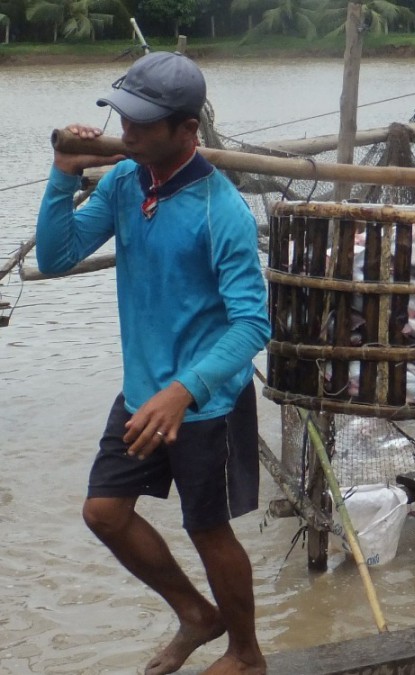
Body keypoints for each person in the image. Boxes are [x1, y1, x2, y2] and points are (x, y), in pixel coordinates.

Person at [36, 52, 270, 675]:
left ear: (187, 130)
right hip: (142, 388)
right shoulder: (121, 182)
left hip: (204, 400)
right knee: (105, 513)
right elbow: (57, 256)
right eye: (122, 118)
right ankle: (196, 614)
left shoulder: (223, 211)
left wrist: (183, 392)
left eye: (143, 124)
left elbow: (252, 324)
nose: (128, 132)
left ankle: (247, 654)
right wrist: (63, 175)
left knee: (208, 528)